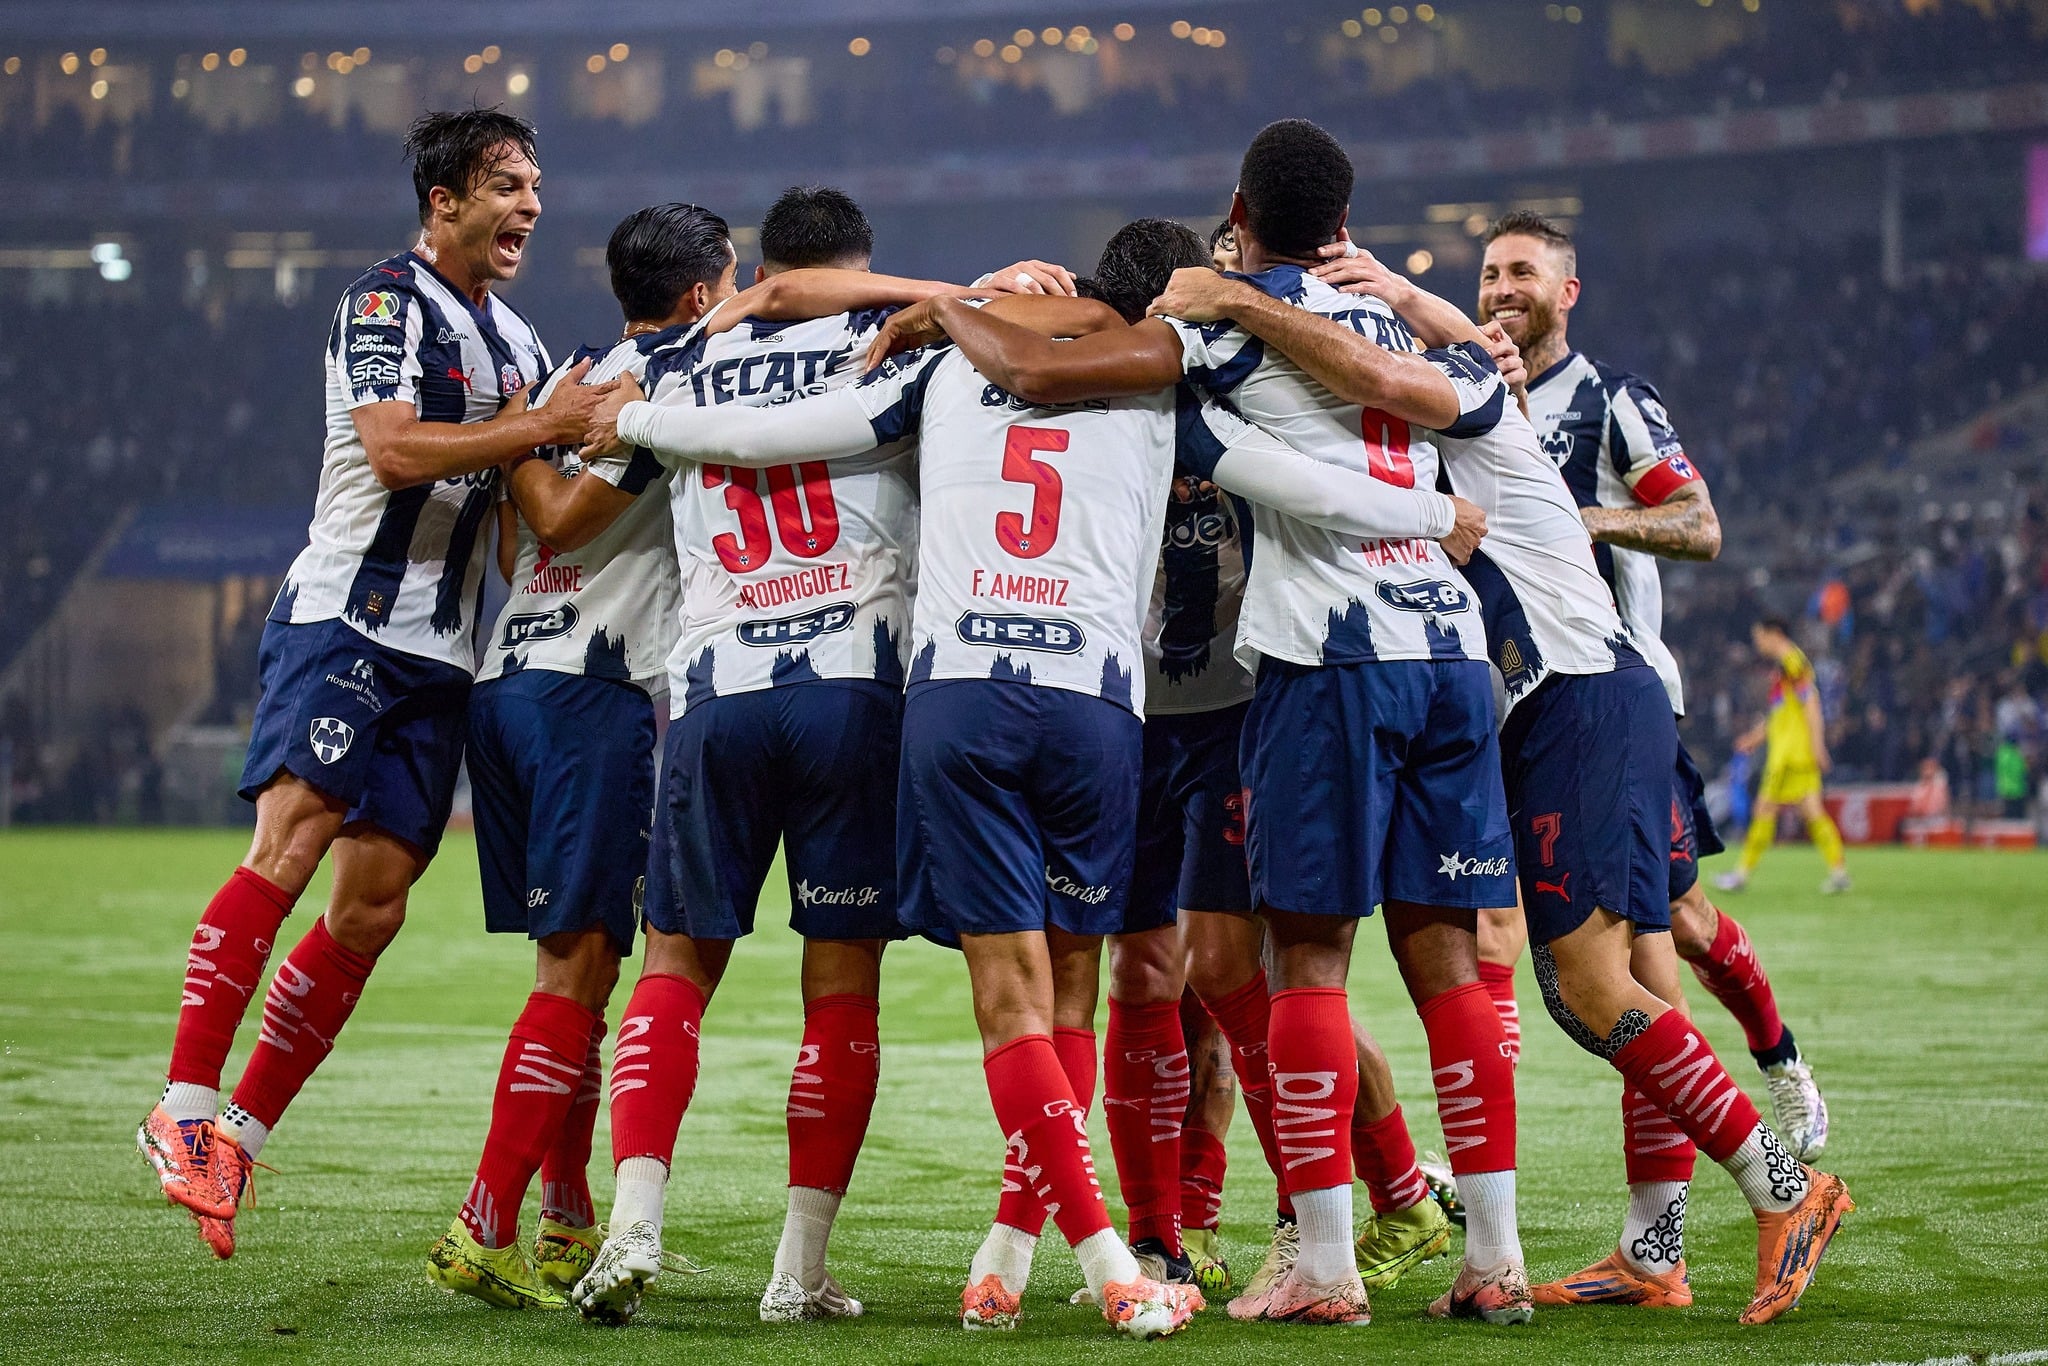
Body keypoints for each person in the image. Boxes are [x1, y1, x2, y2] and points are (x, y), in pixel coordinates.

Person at [865, 121, 1526, 1329]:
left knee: (1231, 972)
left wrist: (963, 305)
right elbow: (1466, 394)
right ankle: (1166, 1231)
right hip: (1144, 704)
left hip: (1230, 698)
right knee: (1145, 979)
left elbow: (1079, 384)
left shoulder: (1199, 355)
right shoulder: (1273, 345)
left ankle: (1336, 1206)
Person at [1149, 254, 1856, 1326]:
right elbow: (1390, 371)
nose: (1489, 303)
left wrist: (1272, 305)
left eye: (1518, 275)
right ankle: (1651, 1246)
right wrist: (1385, 294)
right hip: (1536, 711)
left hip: (1581, 692)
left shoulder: (1464, 404)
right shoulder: (1444, 409)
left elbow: (1381, 370)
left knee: (1603, 973)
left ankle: (1781, 1181)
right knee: (1594, 980)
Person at [564, 185, 1073, 1328]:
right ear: (863, 264)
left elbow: (565, 508)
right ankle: (797, 1269)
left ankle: (630, 1226)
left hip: (714, 693)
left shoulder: (680, 354)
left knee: (676, 964)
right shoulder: (899, 340)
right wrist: (951, 292)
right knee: (840, 984)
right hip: (854, 690)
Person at [134, 108, 607, 1260]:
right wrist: (536, 427)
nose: (529, 206)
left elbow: (523, 513)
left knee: (373, 902)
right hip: (347, 617)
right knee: (288, 852)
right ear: (442, 200)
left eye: (534, 185)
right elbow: (394, 450)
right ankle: (184, 1107)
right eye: (505, 184)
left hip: (441, 655)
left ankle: (240, 1133)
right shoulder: (383, 304)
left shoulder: (524, 343)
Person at [1374, 211, 1830, 1179]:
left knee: (1672, 932)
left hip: (1612, 693)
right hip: (1514, 702)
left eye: (1522, 273)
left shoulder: (1611, 399)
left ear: (1564, 291)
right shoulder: (1463, 395)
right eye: (1489, 272)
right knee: (1501, 920)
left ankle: (1774, 1060)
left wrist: (1583, 516)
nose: (1502, 289)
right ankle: (1525, 1176)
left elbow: (1699, 523)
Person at [423, 203, 737, 1310]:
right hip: (591, 697)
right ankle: (484, 1222)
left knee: (580, 965)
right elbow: (552, 517)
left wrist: (518, 436)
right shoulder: (664, 387)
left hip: (511, 680)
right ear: (702, 293)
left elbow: (517, 538)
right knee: (577, 972)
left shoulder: (569, 371)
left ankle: (563, 1215)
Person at [1718, 617, 1852, 894]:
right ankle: (1838, 872)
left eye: (1759, 636)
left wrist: (1818, 745)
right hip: (1792, 751)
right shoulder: (1785, 667)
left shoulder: (1792, 661)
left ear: (1774, 633)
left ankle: (1741, 875)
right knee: (1812, 812)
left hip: (1791, 754)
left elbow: (1811, 703)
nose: (1757, 642)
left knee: (1765, 810)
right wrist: (1754, 739)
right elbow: (1781, 713)